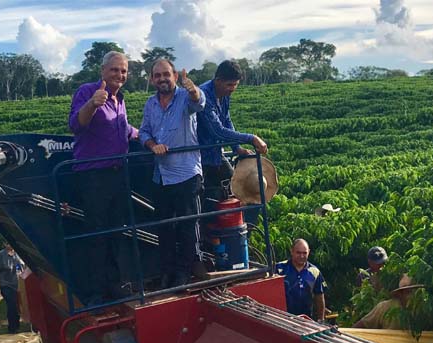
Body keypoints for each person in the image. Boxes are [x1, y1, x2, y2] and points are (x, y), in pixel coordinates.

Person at [68, 50, 139, 302]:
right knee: (96, 234)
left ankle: (114, 284)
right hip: (94, 175)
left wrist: (141, 135)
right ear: (102, 71)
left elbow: (123, 128)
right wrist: (93, 104)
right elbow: (76, 125)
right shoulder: (88, 91)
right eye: (114, 69)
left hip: (118, 173)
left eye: (123, 71)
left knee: (116, 231)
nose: (119, 74)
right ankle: (96, 292)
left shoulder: (120, 100)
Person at [138, 59, 206, 288]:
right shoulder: (150, 104)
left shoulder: (185, 97)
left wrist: (193, 89)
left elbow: (199, 103)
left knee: (187, 225)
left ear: (175, 76)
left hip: (186, 173)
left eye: (166, 74)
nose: (162, 79)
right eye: (157, 76)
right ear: (151, 79)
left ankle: (184, 273)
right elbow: (144, 130)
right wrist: (151, 145)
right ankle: (167, 272)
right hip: (162, 174)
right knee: (164, 226)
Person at [196, 60, 268, 210]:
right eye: (230, 85)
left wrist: (237, 148)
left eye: (235, 85)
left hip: (216, 152)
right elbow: (217, 131)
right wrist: (252, 138)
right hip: (200, 157)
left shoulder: (223, 94)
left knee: (234, 184)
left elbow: (226, 120)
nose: (233, 89)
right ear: (218, 81)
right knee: (208, 198)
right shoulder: (203, 96)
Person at [275, 239, 326, 321]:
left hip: (306, 321)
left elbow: (319, 297)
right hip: (283, 320)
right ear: (292, 251)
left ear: (309, 252)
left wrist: (321, 319)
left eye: (304, 253)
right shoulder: (279, 269)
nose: (302, 256)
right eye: (298, 253)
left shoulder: (314, 272)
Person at [353, 274, 422, 329]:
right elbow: (362, 325)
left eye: (415, 292)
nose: (412, 296)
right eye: (408, 292)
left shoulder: (422, 309)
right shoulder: (384, 307)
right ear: (400, 294)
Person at [0, 242, 22, 333]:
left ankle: (18, 324)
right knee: (11, 305)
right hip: (7, 285)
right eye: (7, 243)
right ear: (4, 244)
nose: (10, 245)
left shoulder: (20, 254)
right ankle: (12, 328)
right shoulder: (0, 256)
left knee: (19, 305)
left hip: (19, 285)